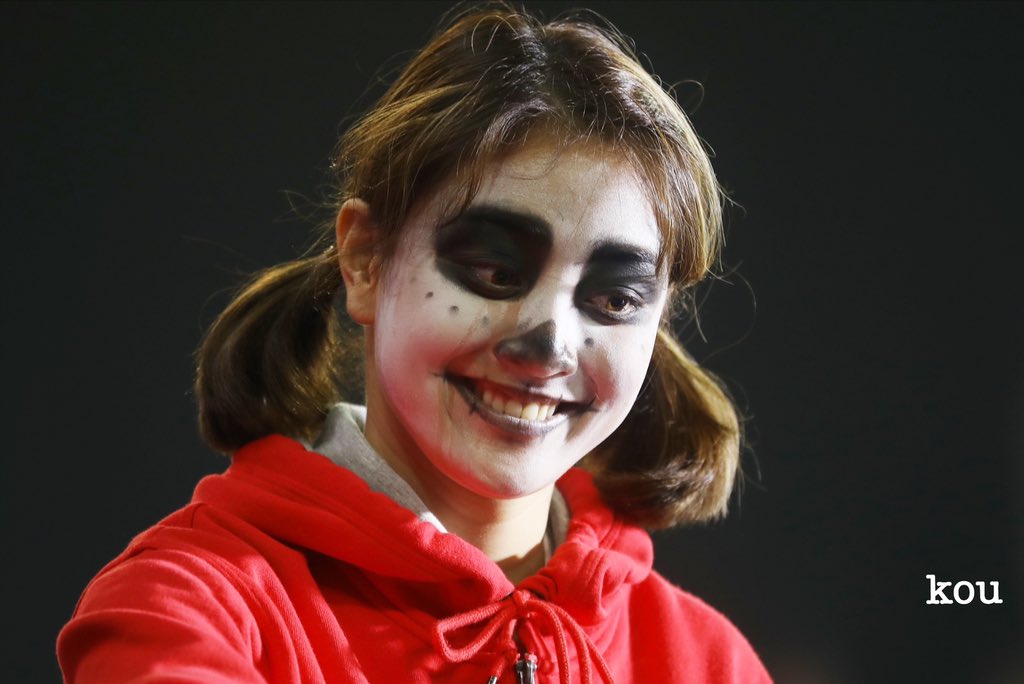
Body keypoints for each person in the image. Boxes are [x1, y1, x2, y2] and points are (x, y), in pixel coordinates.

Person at [58, 5, 771, 682]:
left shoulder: (709, 662)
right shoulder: (187, 608)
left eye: (614, 299)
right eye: (495, 271)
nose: (549, 346)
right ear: (366, 260)